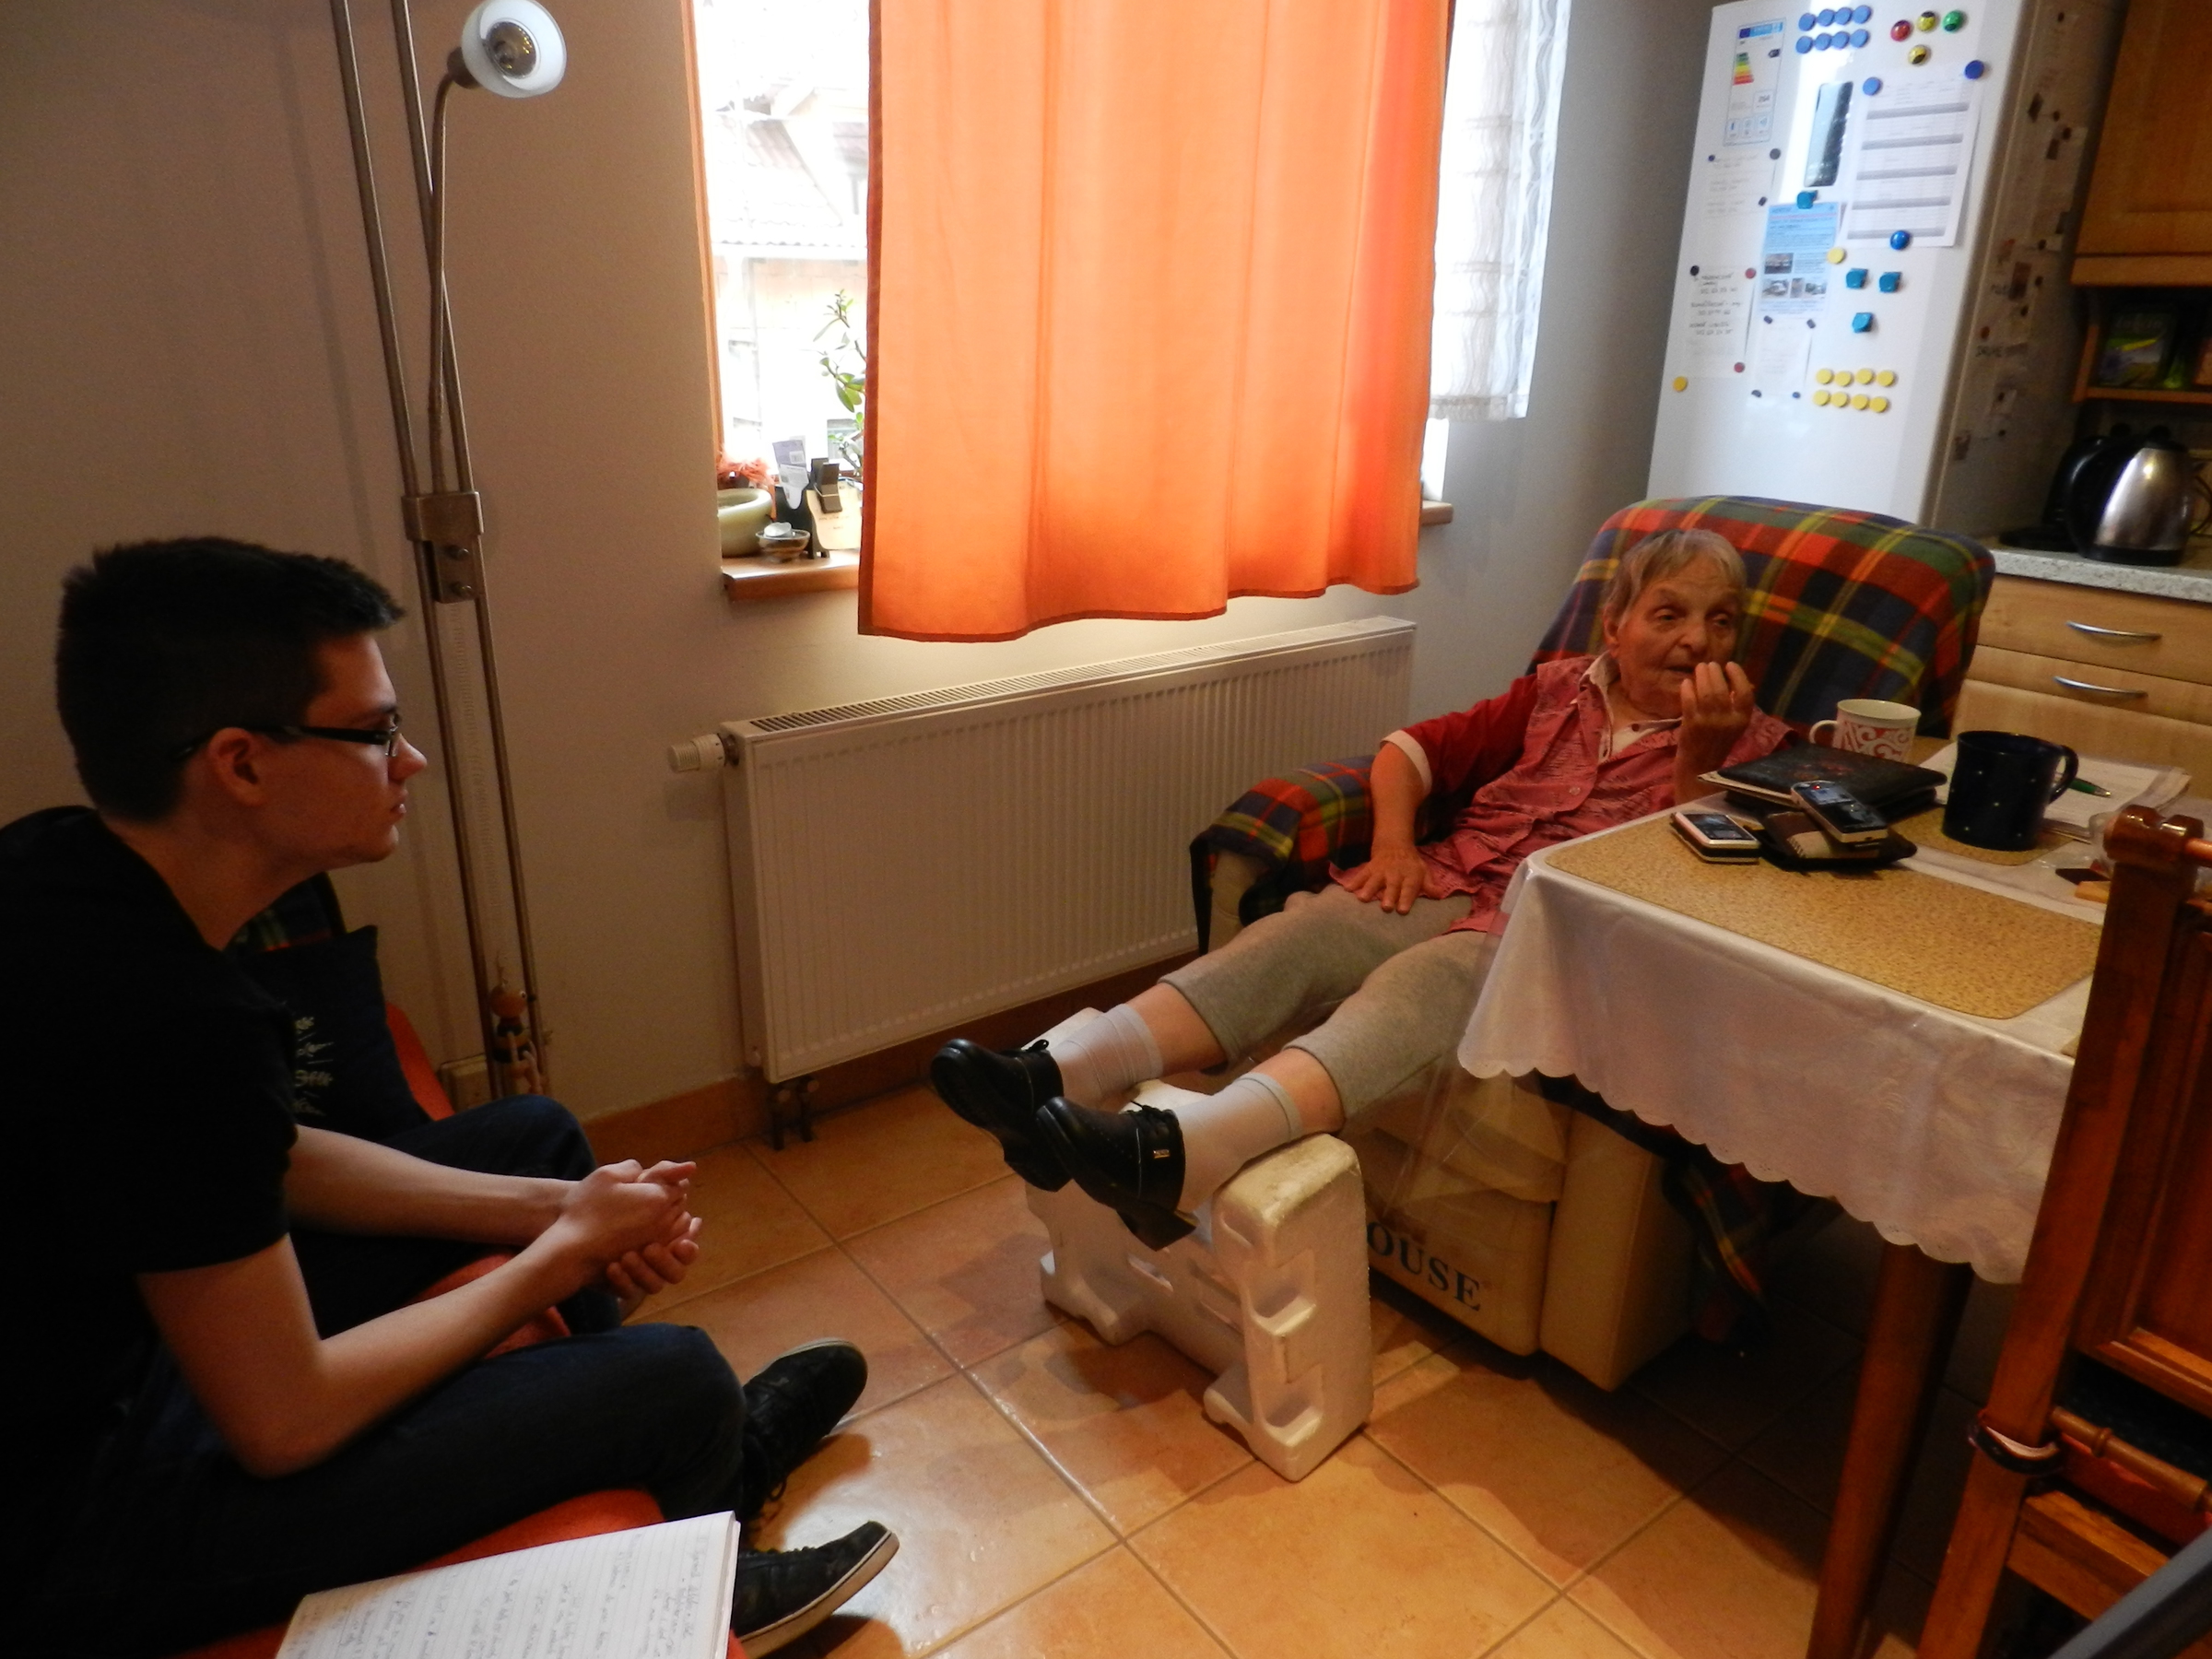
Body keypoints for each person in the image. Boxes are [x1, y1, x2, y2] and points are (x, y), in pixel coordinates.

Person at [5, 539, 895, 1658]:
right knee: (675, 1379)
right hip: (79, 1532)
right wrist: (556, 1259)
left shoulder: (61, 868)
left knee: (540, 1140)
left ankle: (681, 1460)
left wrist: (556, 1209)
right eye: (375, 732)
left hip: (134, 1349)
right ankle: (699, 1550)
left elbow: (257, 1154)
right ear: (241, 764)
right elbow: (286, 1422)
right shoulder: (173, 1019)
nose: (411, 760)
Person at [934, 528, 1794, 1246]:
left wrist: (1699, 759)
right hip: (1457, 871)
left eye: (1720, 621)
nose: (1697, 640)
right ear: (1616, 626)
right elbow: (1407, 752)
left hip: (1559, 928)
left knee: (1424, 981)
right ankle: (1054, 1076)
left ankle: (1187, 1154)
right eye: (1669, 614)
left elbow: (1697, 885)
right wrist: (1394, 845)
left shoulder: (1760, 747)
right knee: (1305, 929)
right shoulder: (1559, 689)